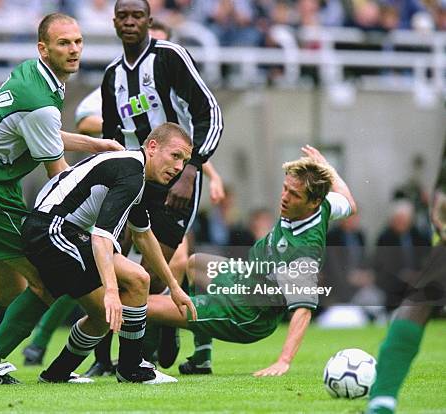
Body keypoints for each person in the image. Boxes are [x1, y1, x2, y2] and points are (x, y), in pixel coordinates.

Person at [0, 12, 123, 384]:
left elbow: (42, 133)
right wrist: (99, 218)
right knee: (47, 278)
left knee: (8, 286)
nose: (74, 49)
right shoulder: (40, 102)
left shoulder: (35, 74)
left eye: (78, 41)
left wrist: (96, 144)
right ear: (43, 48)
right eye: (64, 43)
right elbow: (59, 178)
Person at [85, 0, 223, 376]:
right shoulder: (112, 74)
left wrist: (192, 168)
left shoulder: (169, 57)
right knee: (110, 265)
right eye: (123, 16)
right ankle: (103, 360)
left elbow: (208, 110)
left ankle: (140, 356)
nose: (130, 22)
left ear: (148, 21)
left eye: (137, 16)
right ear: (114, 23)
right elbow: (112, 135)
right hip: (132, 180)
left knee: (153, 271)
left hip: (176, 181)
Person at [145, 145, 357, 376]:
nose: (285, 198)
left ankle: (138, 360)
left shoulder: (303, 250)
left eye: (294, 195)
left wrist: (284, 361)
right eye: (285, 189)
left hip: (245, 313)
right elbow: (349, 203)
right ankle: (201, 358)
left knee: (145, 304)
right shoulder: (322, 207)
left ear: (313, 202)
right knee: (195, 263)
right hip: (244, 276)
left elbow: (303, 310)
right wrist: (328, 169)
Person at [25, 122, 197, 384]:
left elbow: (143, 234)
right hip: (52, 231)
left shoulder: (133, 172)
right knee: (131, 285)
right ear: (152, 147)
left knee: (108, 309)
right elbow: (101, 236)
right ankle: (131, 369)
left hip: (55, 230)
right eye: (175, 155)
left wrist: (174, 287)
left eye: (184, 161)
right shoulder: (131, 172)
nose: (178, 167)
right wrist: (113, 291)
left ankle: (57, 374)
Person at [366, 141, 446, 414]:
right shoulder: (386, 237)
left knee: (421, 299)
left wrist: (440, 191)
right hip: (390, 290)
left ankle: (382, 400)